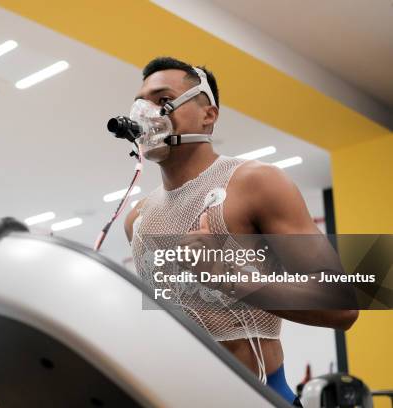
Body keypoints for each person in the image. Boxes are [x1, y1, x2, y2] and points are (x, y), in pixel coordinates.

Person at [124, 57, 358, 406]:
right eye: (140, 101)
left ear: (208, 115)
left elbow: (342, 308)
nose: (145, 112)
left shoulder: (256, 183)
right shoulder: (137, 220)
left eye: (161, 99)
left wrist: (224, 273)